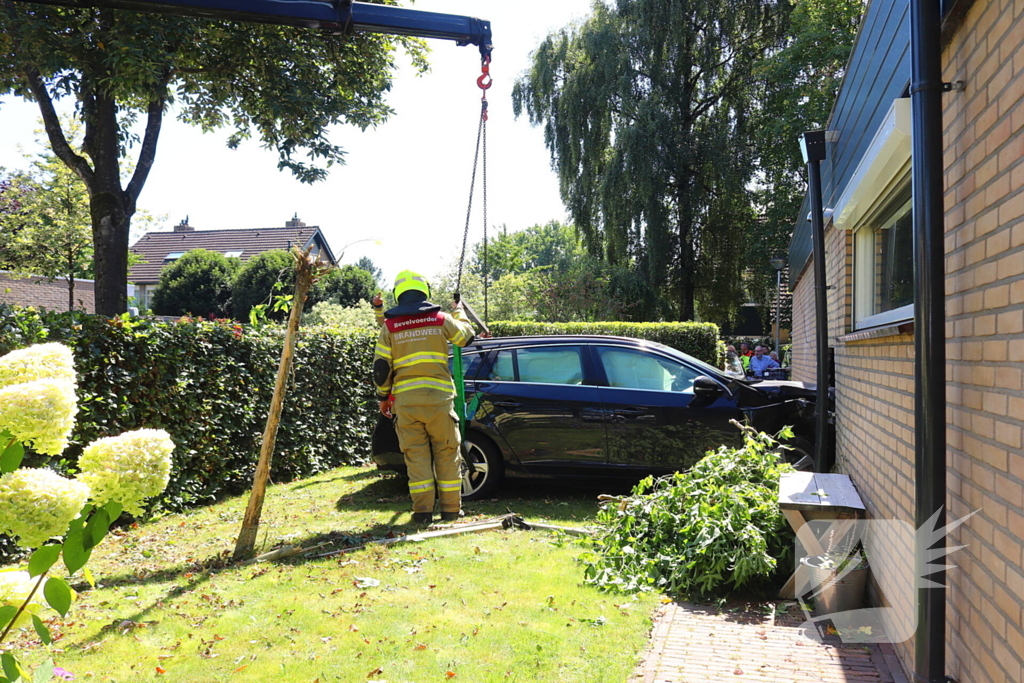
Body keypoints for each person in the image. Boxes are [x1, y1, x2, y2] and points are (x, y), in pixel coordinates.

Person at [373, 270, 476, 525]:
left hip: (406, 404)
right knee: (447, 453)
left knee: (416, 458)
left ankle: (422, 513)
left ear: (399, 294)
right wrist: (459, 311)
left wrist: (383, 397)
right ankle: (451, 511)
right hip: (439, 401)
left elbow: (381, 368)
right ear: (424, 292)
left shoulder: (390, 326)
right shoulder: (440, 319)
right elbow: (466, 337)